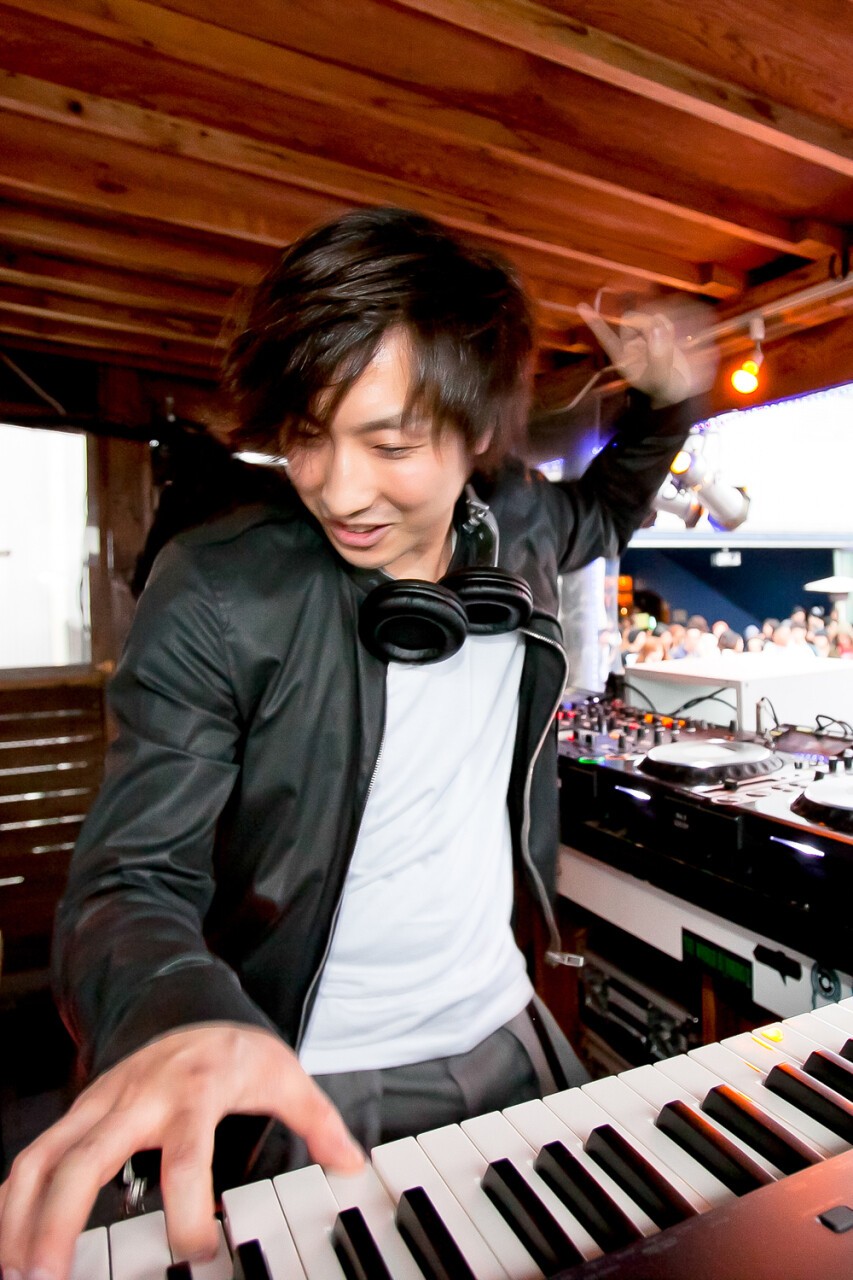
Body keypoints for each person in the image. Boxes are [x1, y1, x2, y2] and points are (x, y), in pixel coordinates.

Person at [0, 207, 707, 1280]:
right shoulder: (218, 590)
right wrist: (175, 1009)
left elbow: (604, 509)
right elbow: (129, 875)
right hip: (303, 1076)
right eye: (306, 434)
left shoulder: (515, 525)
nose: (336, 488)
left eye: (390, 442)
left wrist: (668, 402)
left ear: (476, 437)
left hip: (511, 1029)